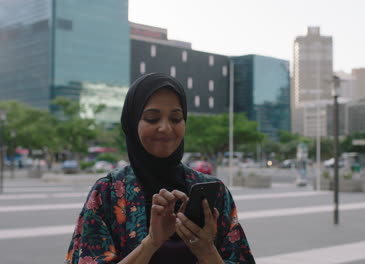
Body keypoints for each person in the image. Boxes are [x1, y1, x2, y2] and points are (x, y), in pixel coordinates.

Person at [65, 73, 255, 263]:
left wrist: (206, 250)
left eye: (176, 118)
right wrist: (152, 242)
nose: (165, 128)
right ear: (132, 122)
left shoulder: (214, 193)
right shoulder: (109, 192)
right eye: (152, 118)